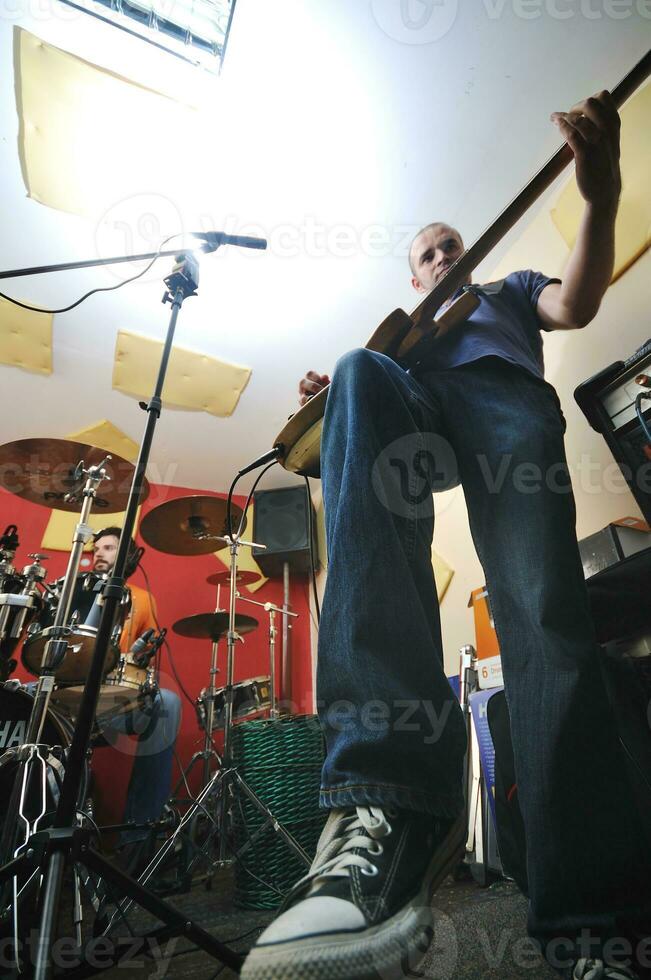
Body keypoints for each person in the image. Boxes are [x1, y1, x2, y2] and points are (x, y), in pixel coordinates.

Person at [242, 92, 651, 980]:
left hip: (504, 408)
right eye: (425, 256)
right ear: (415, 278)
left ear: (467, 258)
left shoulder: (502, 292)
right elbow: (371, 398)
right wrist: (339, 399)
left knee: (546, 628)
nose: (439, 258)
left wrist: (602, 192)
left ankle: (591, 923)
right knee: (358, 373)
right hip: (419, 399)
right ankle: (386, 807)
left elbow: (576, 305)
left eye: (449, 246)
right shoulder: (411, 341)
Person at [89, 527, 182, 853]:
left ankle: (138, 845)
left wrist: (138, 655)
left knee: (167, 701)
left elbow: (143, 659)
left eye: (109, 547)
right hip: (64, 694)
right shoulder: (73, 589)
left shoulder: (143, 599)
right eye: (96, 547)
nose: (99, 552)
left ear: (127, 556)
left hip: (112, 698)